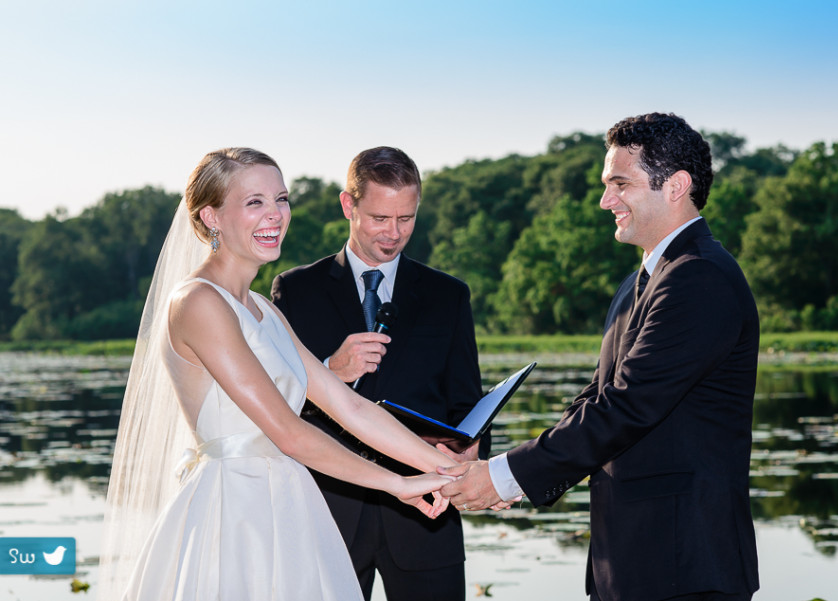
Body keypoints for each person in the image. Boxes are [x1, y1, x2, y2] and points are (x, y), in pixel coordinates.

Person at [97, 148, 457, 601]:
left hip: (289, 503)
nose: (275, 215)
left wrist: (451, 470)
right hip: (234, 512)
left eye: (281, 199)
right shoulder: (198, 303)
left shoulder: (265, 310)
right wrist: (397, 483)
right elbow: (289, 433)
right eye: (255, 202)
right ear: (211, 216)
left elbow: (348, 405)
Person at [440, 113, 761, 601]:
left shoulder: (700, 278)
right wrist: (509, 472)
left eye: (620, 184)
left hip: (685, 565)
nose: (605, 200)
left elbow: (629, 407)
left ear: (675, 186)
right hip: (633, 563)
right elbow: (598, 398)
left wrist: (505, 478)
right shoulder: (640, 283)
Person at [271, 146, 483, 601]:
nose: (393, 233)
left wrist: (470, 443)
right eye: (379, 218)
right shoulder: (295, 289)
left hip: (429, 515)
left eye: (406, 219)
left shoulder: (449, 296)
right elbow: (276, 405)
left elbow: (466, 400)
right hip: (328, 510)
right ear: (349, 205)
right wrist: (332, 371)